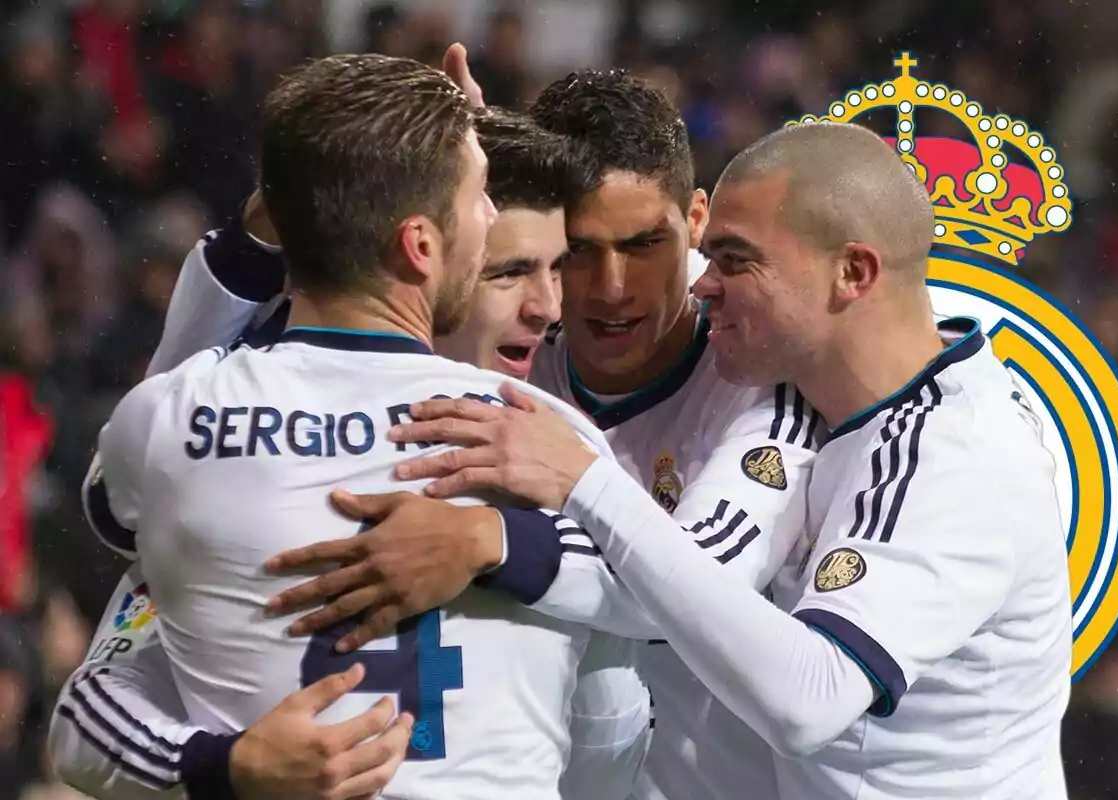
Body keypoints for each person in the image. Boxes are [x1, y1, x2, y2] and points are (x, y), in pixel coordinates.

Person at [374, 120, 1076, 799]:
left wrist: (580, 486)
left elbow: (810, 698)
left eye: (735, 261)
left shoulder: (954, 455)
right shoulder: (850, 411)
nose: (703, 282)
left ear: (853, 273)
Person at [67, 54, 646, 800]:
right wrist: (497, 540)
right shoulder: (544, 441)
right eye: (480, 201)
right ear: (420, 246)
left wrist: (227, 766)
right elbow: (658, 601)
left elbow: (84, 713)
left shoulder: (170, 422)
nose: (491, 215)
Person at [259, 68, 821, 800]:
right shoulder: (506, 330)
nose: (611, 287)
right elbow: (283, 354)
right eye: (578, 251)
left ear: (697, 221)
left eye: (645, 243)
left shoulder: (755, 363)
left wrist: (492, 541)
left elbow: (700, 586)